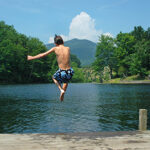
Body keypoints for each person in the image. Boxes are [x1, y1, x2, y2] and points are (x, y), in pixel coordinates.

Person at [27, 35, 74, 101]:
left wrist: (32, 57)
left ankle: (61, 90)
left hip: (62, 71)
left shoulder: (55, 48)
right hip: (70, 71)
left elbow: (42, 55)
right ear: (63, 41)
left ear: (55, 44)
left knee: (54, 77)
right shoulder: (68, 48)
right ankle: (63, 92)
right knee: (65, 80)